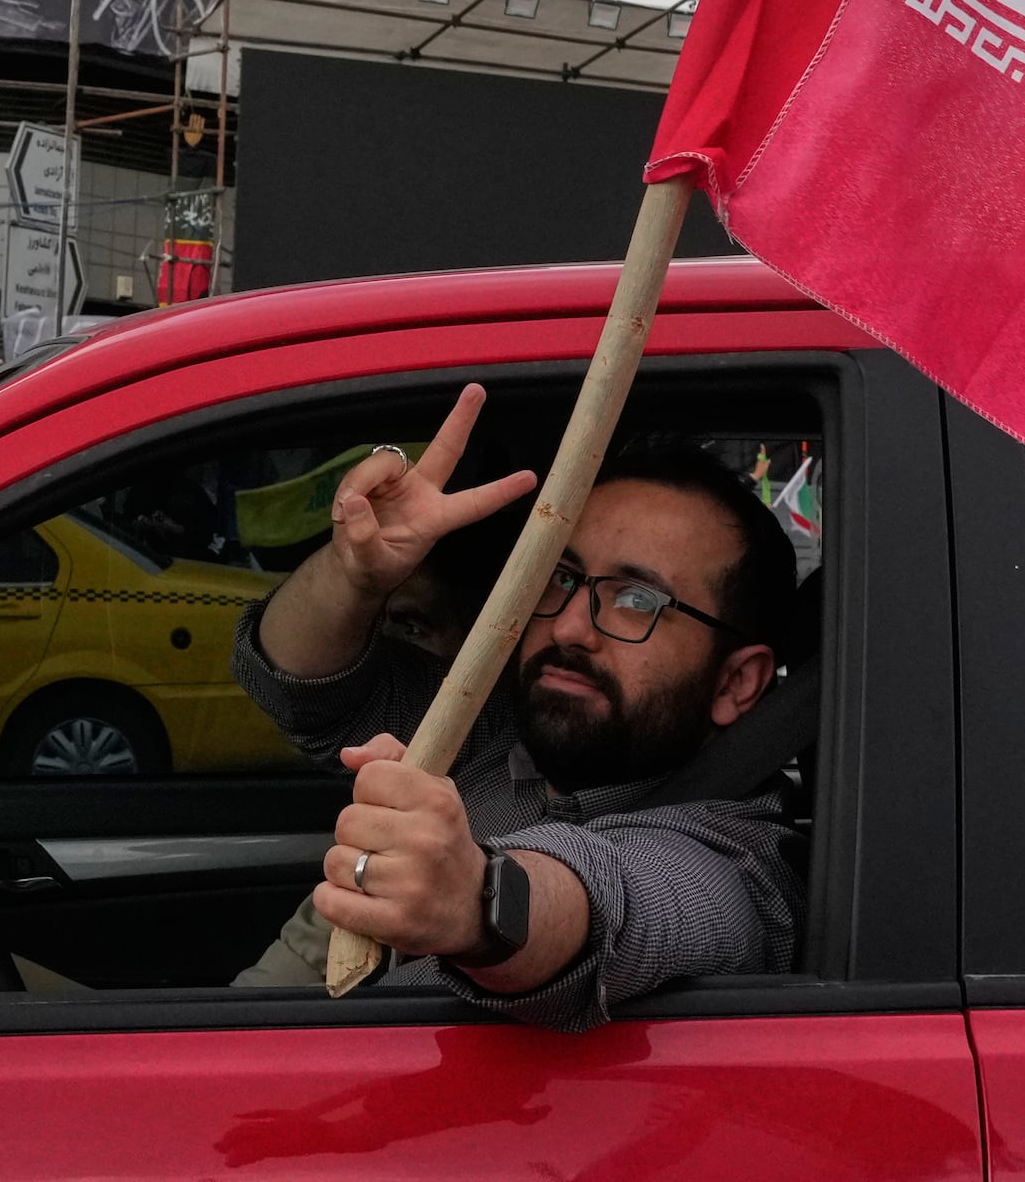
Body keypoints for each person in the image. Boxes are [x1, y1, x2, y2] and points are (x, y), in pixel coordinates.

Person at [233, 386, 799, 1027]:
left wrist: (477, 900)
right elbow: (297, 686)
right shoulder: (496, 722)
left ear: (736, 683)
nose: (569, 630)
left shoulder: (740, 857)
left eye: (638, 601)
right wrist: (353, 573)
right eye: (562, 577)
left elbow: (624, 905)